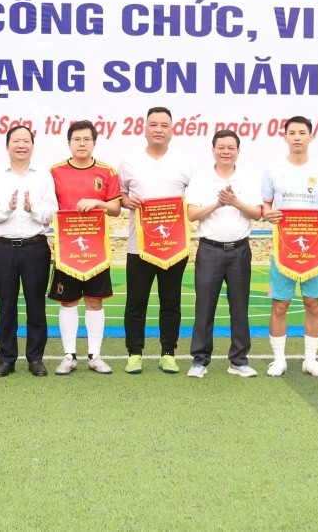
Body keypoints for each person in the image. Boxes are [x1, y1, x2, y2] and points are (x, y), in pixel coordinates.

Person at [263, 116, 318, 378]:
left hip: (314, 249)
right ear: (284, 136)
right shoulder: (273, 169)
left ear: (311, 136)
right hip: (284, 248)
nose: (297, 137)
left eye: (302, 132)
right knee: (280, 305)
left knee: (313, 304)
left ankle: (311, 360)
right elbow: (265, 205)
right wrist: (268, 213)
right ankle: (278, 360)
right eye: (292, 132)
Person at [119, 107, 192, 374]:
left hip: (173, 246)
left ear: (172, 130)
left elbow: (194, 200)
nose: (158, 129)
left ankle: (168, 353)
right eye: (153, 124)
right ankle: (134, 353)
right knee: (136, 302)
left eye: (164, 125)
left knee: (170, 302)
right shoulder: (129, 162)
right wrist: (127, 201)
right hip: (138, 245)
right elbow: (119, 197)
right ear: (144, 128)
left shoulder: (184, 163)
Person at [187, 129, 263, 378]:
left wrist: (235, 202)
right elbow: (191, 214)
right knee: (204, 307)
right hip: (210, 250)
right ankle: (199, 360)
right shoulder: (201, 178)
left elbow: (257, 213)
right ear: (213, 150)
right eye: (221, 147)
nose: (226, 152)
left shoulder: (248, 178)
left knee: (239, 308)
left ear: (238, 152)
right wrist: (218, 204)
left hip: (239, 250)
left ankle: (238, 361)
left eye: (231, 148)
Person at [49, 120, 122, 375]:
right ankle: (69, 355)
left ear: (94, 142)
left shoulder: (107, 171)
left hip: (96, 250)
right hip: (66, 249)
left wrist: (97, 202)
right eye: (77, 139)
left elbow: (116, 208)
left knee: (94, 300)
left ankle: (95, 355)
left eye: (86, 139)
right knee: (68, 301)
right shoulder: (55, 172)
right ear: (69, 143)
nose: (82, 144)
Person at [0, 125, 57, 377]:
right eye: (16, 141)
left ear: (33, 146)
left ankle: (35, 358)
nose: (21, 145)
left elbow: (51, 213)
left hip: (35, 247)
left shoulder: (43, 177)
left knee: (36, 305)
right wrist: (8, 208)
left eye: (26, 141)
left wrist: (31, 209)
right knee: (6, 306)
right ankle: (6, 358)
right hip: (4, 248)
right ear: (7, 146)